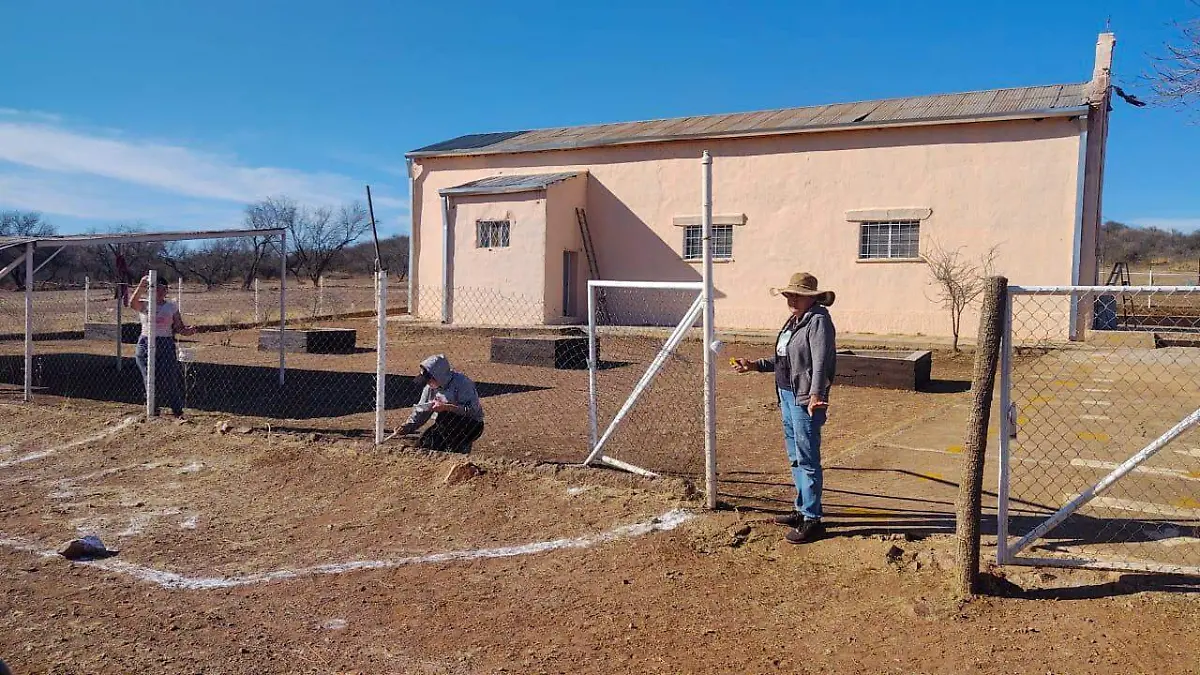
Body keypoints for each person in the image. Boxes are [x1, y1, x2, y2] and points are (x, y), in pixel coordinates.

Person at [732, 272, 837, 544]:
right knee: (795, 456)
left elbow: (820, 362)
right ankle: (802, 509)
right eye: (789, 294)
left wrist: (816, 394)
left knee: (807, 458)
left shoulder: (818, 322)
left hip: (804, 399)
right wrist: (755, 365)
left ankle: (812, 519)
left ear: (811, 297)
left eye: (797, 294)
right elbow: (784, 359)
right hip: (786, 395)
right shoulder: (794, 320)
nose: (791, 298)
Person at [128, 275, 195, 417]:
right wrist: (141, 284)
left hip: (165, 343)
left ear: (166, 290)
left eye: (162, 289)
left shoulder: (171, 307)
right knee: (149, 377)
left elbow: (178, 327)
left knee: (169, 377)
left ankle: (177, 410)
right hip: (145, 342)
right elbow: (131, 303)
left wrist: (187, 331)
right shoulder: (145, 305)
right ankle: (153, 409)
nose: (159, 292)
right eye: (155, 288)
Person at [396, 354, 485, 452]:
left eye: (429, 380)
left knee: (446, 419)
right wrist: (408, 426)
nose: (428, 383)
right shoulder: (430, 388)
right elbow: (422, 411)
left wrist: (447, 407)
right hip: (444, 425)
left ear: (439, 376)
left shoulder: (462, 383)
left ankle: (459, 452)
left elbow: (472, 411)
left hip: (471, 424)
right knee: (424, 444)